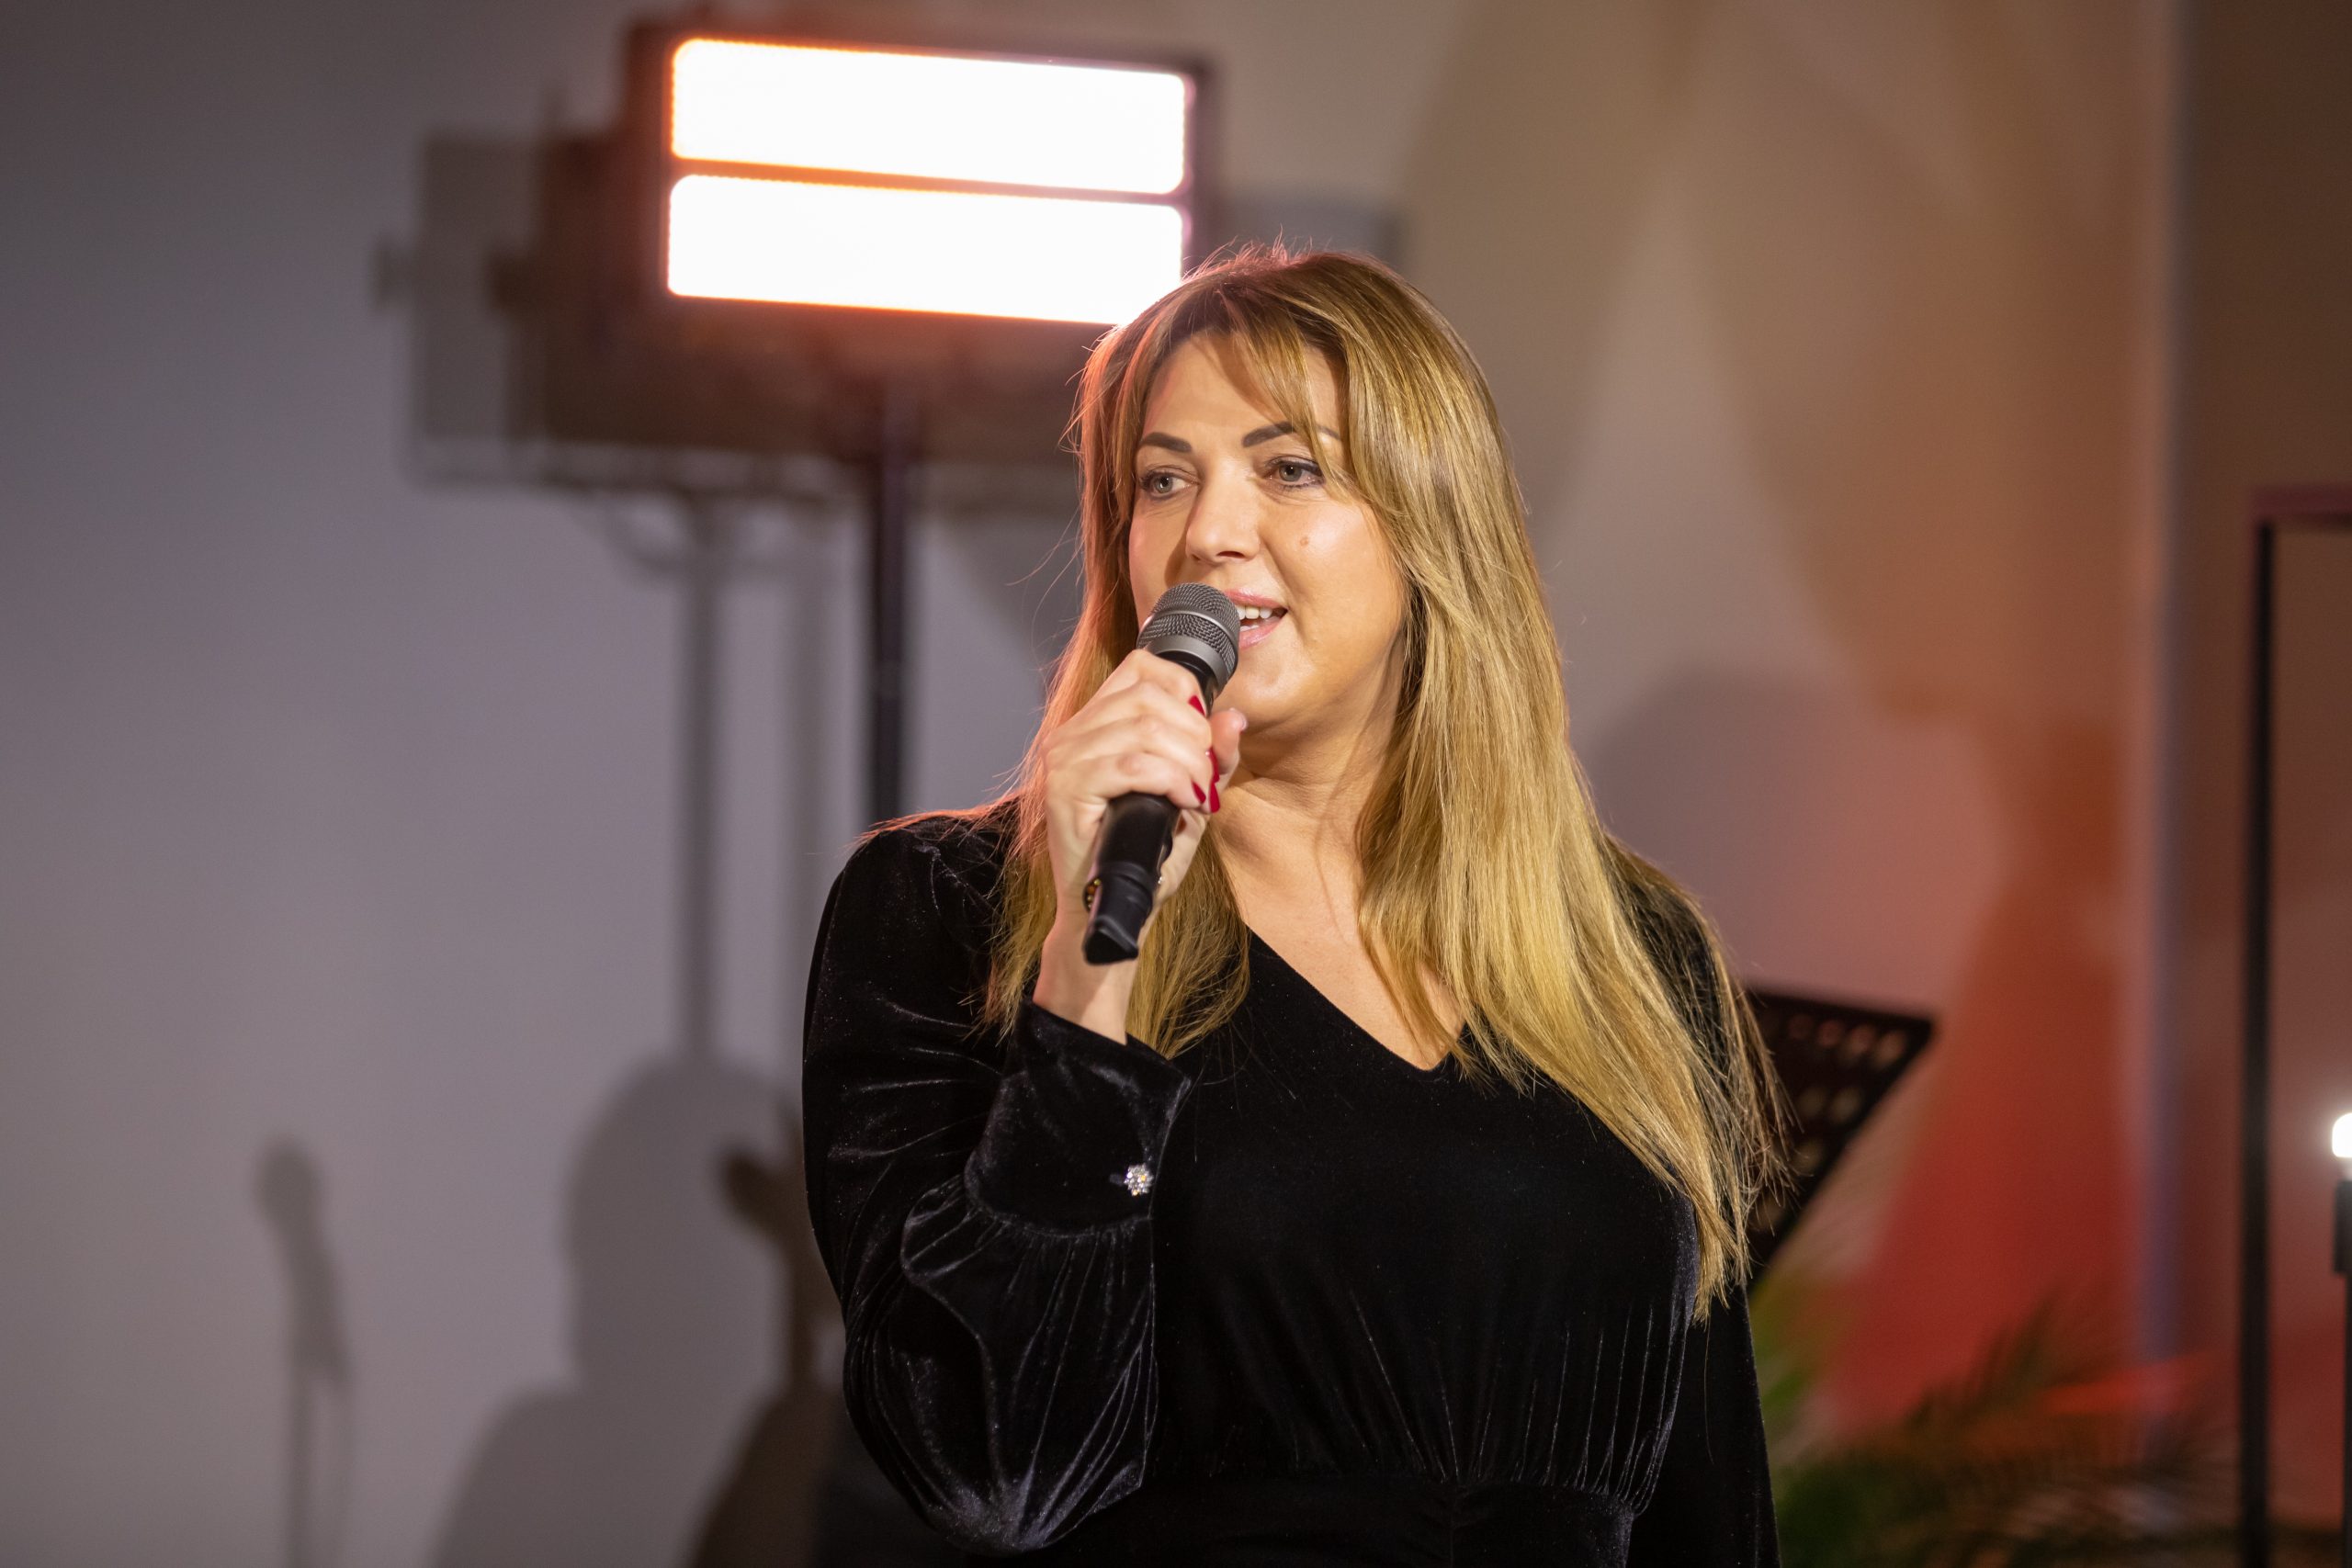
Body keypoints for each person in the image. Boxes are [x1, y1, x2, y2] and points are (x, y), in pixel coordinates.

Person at [800, 246, 1790, 1565]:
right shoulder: (950, 914)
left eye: (1291, 469)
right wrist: (1089, 974)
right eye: (1162, 480)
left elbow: (1711, 1509)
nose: (1209, 531)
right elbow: (994, 1471)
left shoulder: (1627, 952)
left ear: (1430, 525)